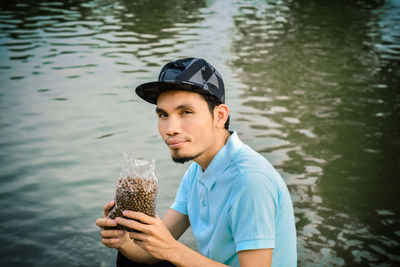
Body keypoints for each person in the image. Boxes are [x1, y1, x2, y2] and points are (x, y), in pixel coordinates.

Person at [96, 58, 297, 267]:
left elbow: (167, 248)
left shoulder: (251, 180)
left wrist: (171, 249)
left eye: (186, 112)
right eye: (163, 114)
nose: (170, 128)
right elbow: (152, 252)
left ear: (219, 116)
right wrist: (122, 240)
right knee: (130, 259)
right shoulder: (197, 171)